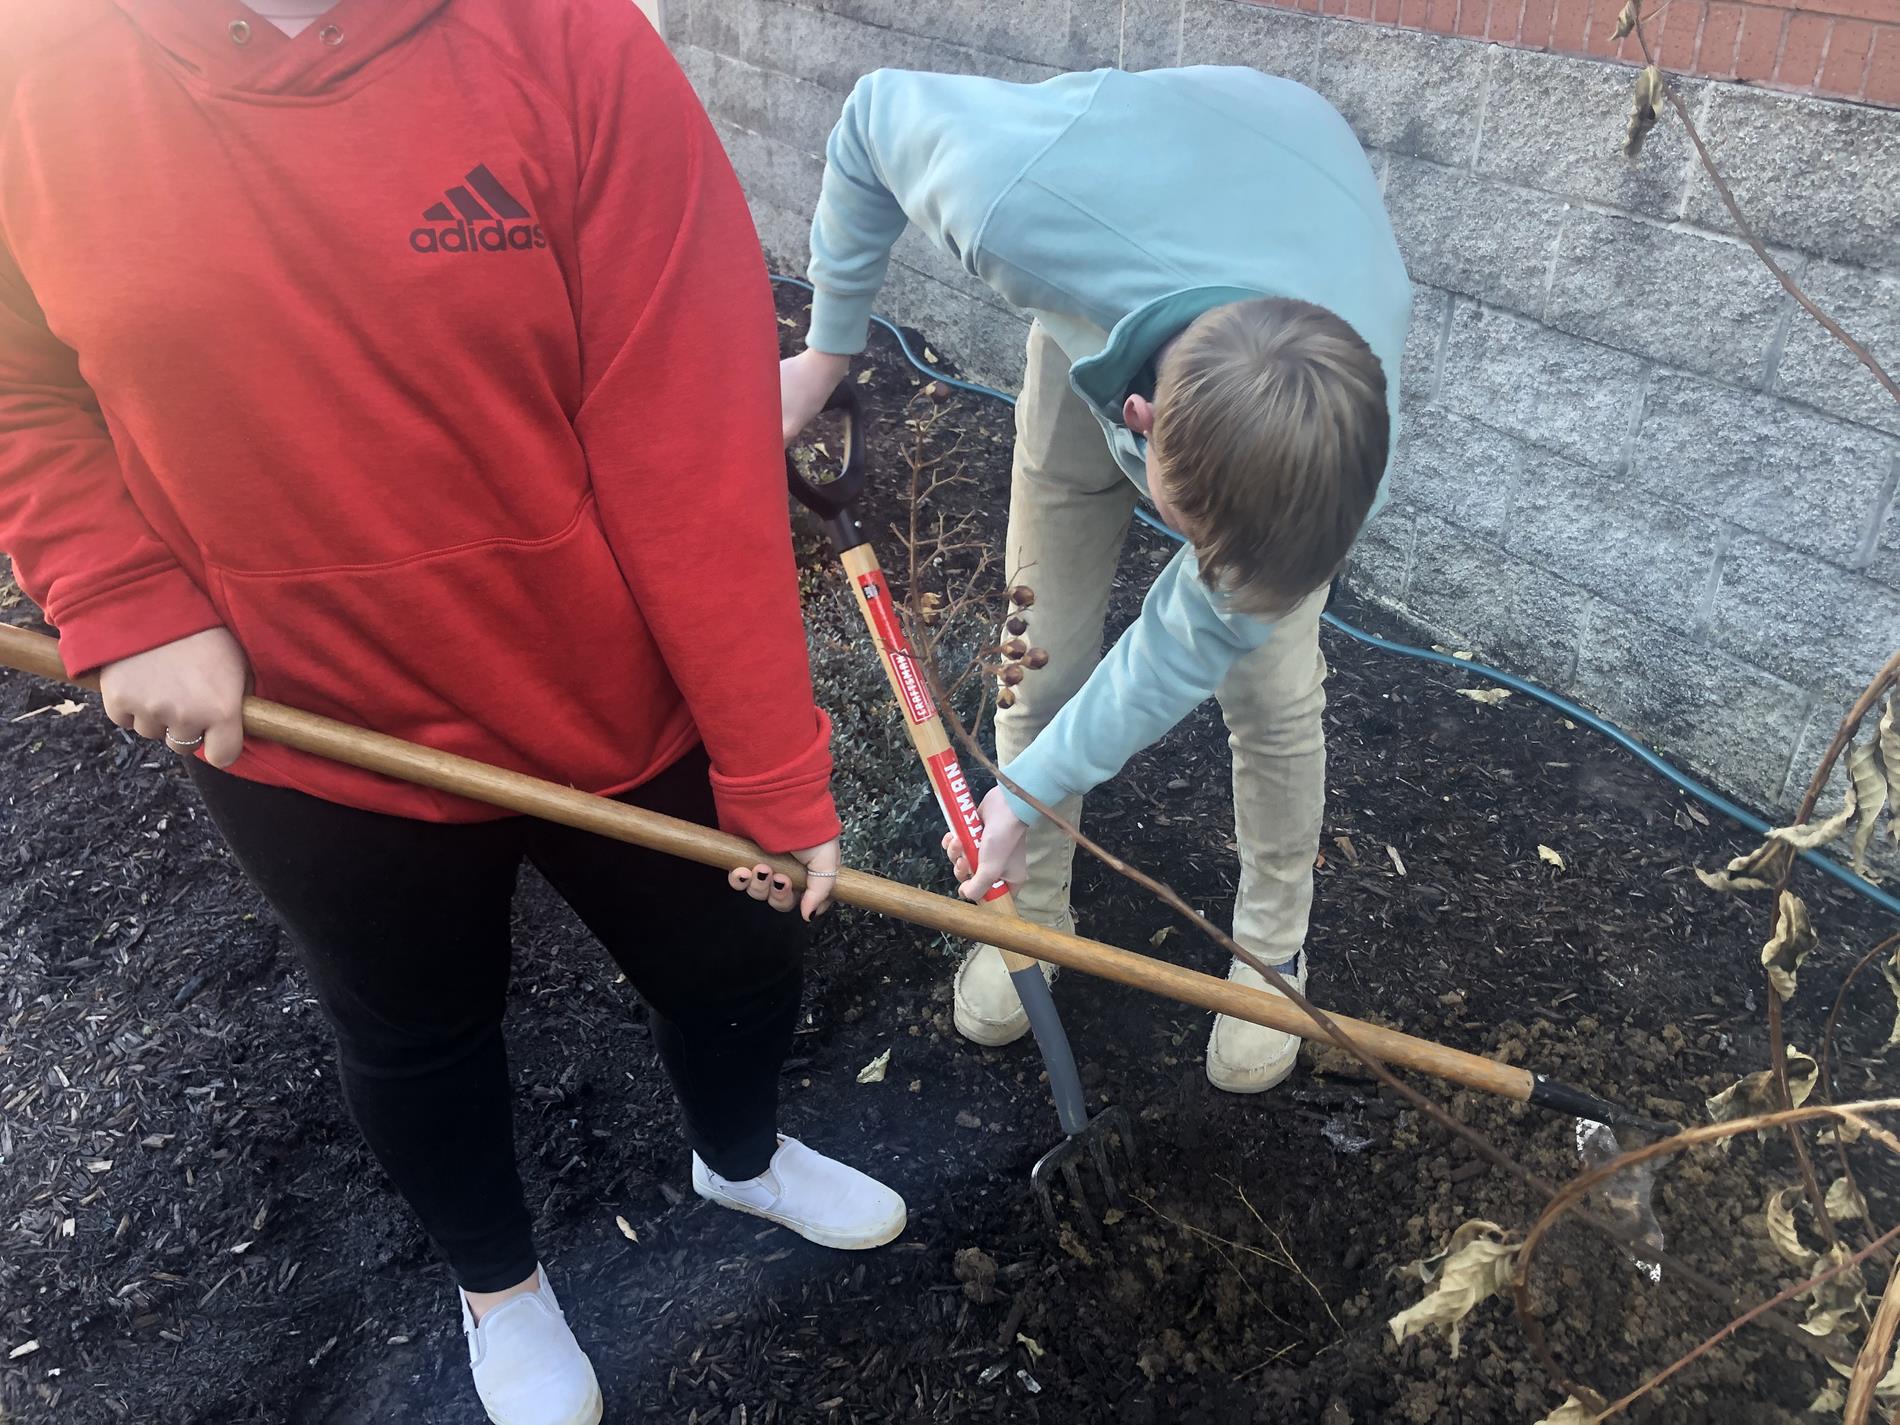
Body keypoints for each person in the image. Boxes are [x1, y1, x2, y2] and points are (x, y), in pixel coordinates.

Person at [0, 3, 905, 1423]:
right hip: (307, 725)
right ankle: (503, 1289)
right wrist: (119, 587)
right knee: (415, 1030)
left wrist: (775, 769)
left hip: (608, 697)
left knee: (734, 963)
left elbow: (690, 441)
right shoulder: (30, 66)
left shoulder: (567, 43)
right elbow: (22, 385)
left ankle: (739, 1153)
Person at [781, 65, 1410, 1095]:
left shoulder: (1343, 438)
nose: (1194, 574)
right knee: (1043, 644)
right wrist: (824, 350)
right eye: (1189, 533)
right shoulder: (1011, 203)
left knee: (1267, 680)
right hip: (1117, 250)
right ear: (1139, 423)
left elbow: (1188, 641)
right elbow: (870, 114)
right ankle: (1032, 917)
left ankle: (1271, 956)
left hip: (1278, 250)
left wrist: (1019, 791)